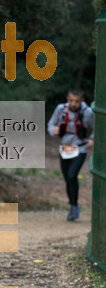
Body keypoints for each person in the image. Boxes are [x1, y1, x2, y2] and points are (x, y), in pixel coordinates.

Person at [47, 88, 94, 220]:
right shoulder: (60, 109)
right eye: (71, 101)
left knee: (73, 175)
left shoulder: (88, 113)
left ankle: (74, 206)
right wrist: (53, 130)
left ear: (82, 101)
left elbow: (98, 127)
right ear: (67, 99)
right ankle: (73, 204)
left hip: (80, 148)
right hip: (65, 149)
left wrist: (92, 139)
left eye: (77, 101)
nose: (74, 104)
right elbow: (50, 124)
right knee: (68, 178)